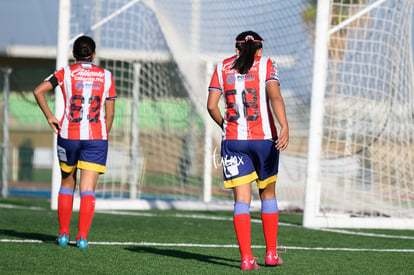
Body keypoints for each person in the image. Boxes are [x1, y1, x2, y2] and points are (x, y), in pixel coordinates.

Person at [207, 31, 289, 270]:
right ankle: (271, 254)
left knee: (241, 201)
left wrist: (226, 124)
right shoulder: (266, 64)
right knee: (268, 195)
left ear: (236, 49)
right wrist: (284, 125)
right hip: (264, 140)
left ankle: (246, 259)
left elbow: (212, 105)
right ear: (259, 50)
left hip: (234, 141)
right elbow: (274, 96)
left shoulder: (222, 67)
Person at [34, 35, 117, 249]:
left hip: (68, 135)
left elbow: (38, 91)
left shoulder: (66, 72)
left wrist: (50, 116)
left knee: (67, 182)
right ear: (94, 54)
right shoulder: (106, 76)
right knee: (87, 188)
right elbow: (110, 115)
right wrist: (100, 136)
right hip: (95, 138)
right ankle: (82, 238)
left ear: (74, 54)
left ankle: (62, 235)